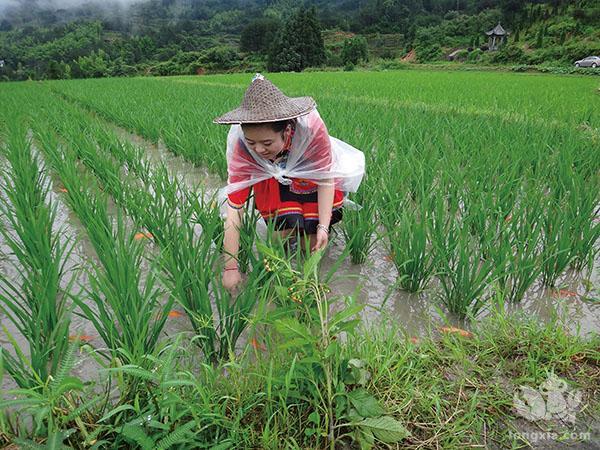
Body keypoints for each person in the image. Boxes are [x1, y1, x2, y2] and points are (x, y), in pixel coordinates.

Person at [213, 74, 365, 293]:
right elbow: (234, 209)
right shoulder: (242, 148)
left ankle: (311, 270)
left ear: (286, 131)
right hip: (272, 182)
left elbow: (324, 179)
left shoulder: (311, 131)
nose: (258, 150)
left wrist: (323, 226)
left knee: (311, 244)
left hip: (310, 177)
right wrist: (230, 268)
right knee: (278, 238)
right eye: (251, 142)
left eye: (266, 143)